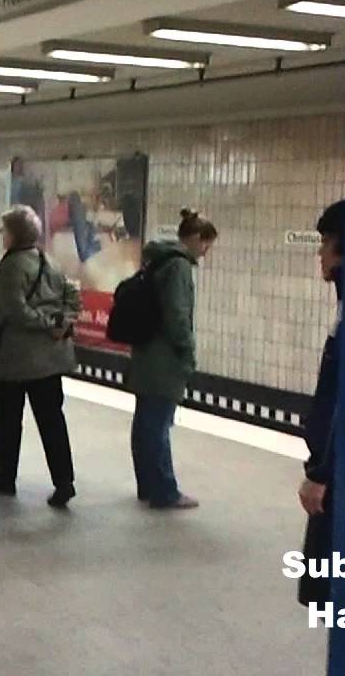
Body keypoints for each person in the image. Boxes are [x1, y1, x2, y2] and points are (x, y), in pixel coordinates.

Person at [0, 205, 82, 508]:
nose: (2, 236)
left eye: (4, 231)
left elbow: (12, 309)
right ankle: (64, 482)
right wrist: (62, 323)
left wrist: (47, 324)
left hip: (16, 359)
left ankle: (4, 479)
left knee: (8, 421)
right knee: (52, 422)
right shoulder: (48, 259)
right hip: (51, 360)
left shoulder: (11, 265)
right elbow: (73, 296)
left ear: (13, 234)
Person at [126, 209, 218, 510]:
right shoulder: (178, 267)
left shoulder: (157, 259)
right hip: (164, 358)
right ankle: (164, 491)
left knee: (145, 422)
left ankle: (146, 484)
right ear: (193, 238)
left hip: (146, 352)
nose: (205, 252)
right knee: (159, 425)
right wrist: (188, 352)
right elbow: (177, 316)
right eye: (205, 244)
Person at [297, 199, 345, 607]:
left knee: (335, 588)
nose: (320, 252)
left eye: (327, 241)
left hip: (343, 473)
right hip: (336, 465)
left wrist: (322, 472)